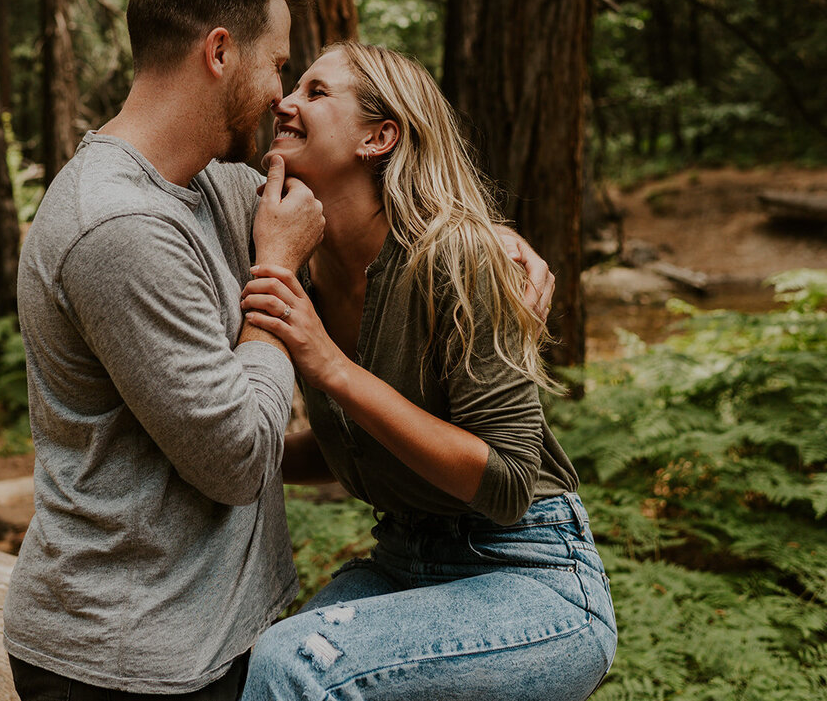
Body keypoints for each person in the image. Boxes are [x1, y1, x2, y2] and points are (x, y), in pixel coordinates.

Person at [238, 42, 617, 701]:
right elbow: (356, 443)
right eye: (292, 87)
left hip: (530, 574)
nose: (286, 102)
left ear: (380, 136)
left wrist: (330, 366)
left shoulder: (455, 258)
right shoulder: (293, 256)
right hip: (404, 561)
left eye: (316, 91)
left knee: (293, 664)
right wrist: (218, 445)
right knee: (245, 662)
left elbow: (507, 483)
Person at [2, 0, 325, 700]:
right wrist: (274, 273)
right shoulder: (117, 224)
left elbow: (337, 211)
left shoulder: (206, 185)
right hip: (125, 664)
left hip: (196, 637)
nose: (283, 95)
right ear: (220, 51)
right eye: (277, 62)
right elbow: (238, 459)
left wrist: (490, 241)